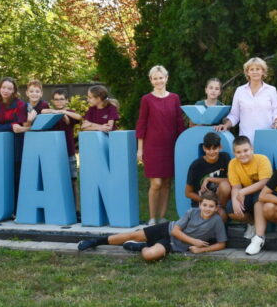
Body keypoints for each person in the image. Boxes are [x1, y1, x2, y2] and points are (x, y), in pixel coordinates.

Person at [77, 191, 227, 261]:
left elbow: (222, 244)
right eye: (205, 205)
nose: (207, 209)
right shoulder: (191, 212)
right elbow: (175, 230)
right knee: (132, 235)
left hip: (173, 244)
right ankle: (95, 241)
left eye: (211, 206)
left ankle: (140, 247)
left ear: (216, 208)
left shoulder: (216, 221)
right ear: (200, 204)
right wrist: (194, 242)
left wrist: (202, 250)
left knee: (149, 255)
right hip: (166, 229)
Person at [136, 65, 186, 226]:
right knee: (156, 183)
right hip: (152, 146)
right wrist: (140, 148)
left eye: (161, 77)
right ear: (151, 80)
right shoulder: (146, 99)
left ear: (166, 78)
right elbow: (142, 123)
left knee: (166, 183)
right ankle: (152, 218)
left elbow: (179, 122)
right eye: (155, 78)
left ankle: (162, 217)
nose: (158, 80)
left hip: (171, 146)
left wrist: (181, 146)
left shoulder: (175, 98)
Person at [0, 77, 29, 215]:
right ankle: (3, 209)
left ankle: (17, 209)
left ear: (14, 90)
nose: (6, 91)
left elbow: (17, 125)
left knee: (16, 176)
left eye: (9, 88)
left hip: (17, 145)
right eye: (3, 87)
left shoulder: (20, 105)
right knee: (2, 177)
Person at [215, 57, 277, 144]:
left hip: (267, 138)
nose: (255, 72)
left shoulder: (271, 90)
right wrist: (226, 125)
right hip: (245, 140)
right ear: (247, 72)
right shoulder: (240, 90)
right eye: (252, 69)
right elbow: (235, 115)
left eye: (258, 69)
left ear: (263, 71)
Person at [226, 136, 272, 255]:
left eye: (246, 150)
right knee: (231, 208)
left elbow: (265, 182)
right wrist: (235, 200)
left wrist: (242, 192)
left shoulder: (262, 159)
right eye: (238, 152)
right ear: (234, 153)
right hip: (246, 193)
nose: (243, 154)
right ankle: (252, 223)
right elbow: (236, 187)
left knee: (259, 196)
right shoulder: (233, 163)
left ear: (252, 149)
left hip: (267, 192)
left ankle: (259, 238)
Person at [42, 89, 83, 212]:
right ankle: (58, 209)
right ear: (53, 101)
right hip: (53, 153)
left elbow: (79, 117)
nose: (59, 101)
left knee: (72, 181)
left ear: (66, 100)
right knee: (54, 181)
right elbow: (42, 111)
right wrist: (56, 112)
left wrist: (64, 112)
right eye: (56, 99)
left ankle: (76, 210)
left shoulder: (70, 112)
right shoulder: (50, 113)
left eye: (61, 99)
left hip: (69, 152)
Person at [185, 132, 231, 221]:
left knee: (225, 186)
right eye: (208, 148)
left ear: (220, 147)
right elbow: (188, 193)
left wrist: (209, 178)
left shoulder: (225, 157)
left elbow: (232, 181)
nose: (211, 152)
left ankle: (219, 210)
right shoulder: (196, 165)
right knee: (221, 215)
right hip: (203, 202)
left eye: (215, 148)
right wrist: (207, 202)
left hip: (220, 200)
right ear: (203, 148)